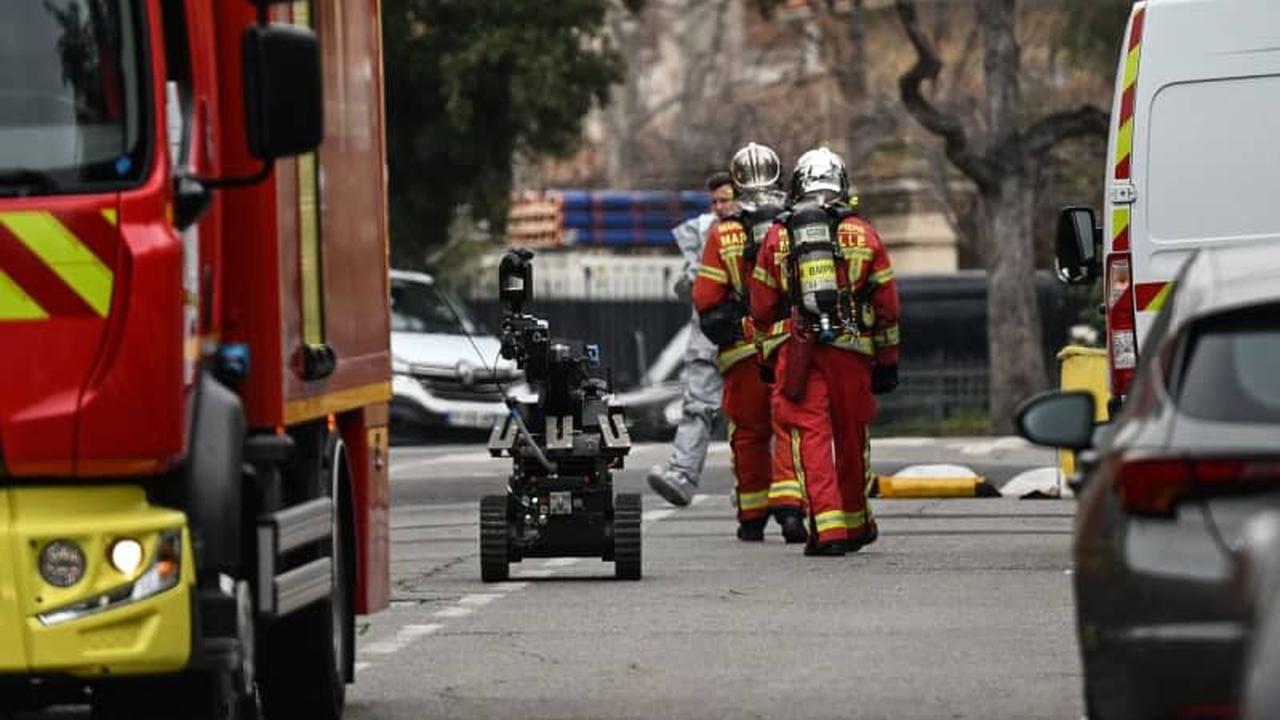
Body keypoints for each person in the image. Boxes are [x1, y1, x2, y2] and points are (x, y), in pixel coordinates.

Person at [749, 147, 901, 556]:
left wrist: (766, 356)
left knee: (809, 437)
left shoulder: (779, 235)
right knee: (850, 435)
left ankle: (828, 529)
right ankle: (856, 523)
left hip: (796, 350)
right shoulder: (864, 234)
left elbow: (761, 304)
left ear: (798, 185)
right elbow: (887, 305)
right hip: (852, 349)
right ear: (841, 184)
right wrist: (887, 362)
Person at [691, 143, 806, 543]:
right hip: (790, 344)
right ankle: (791, 510)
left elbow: (706, 300)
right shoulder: (794, 224)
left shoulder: (723, 235)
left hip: (742, 350)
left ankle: (752, 515)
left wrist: (734, 328)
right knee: (790, 425)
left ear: (736, 184)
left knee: (748, 432)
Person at [646, 172, 737, 506]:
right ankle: (682, 475)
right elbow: (690, 287)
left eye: (725, 199)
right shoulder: (702, 232)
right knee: (696, 406)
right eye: (714, 201)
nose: (718, 207)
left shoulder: (756, 228)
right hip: (709, 334)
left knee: (755, 415)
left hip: (746, 334)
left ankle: (761, 489)